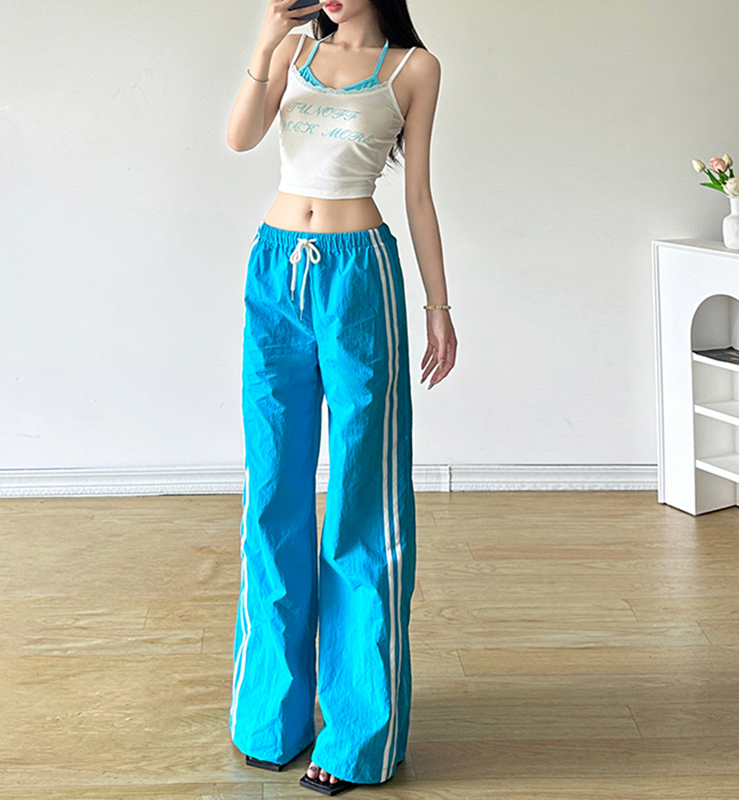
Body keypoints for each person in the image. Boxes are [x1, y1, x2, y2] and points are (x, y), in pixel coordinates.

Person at [225, 0, 456, 794]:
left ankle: (359, 735)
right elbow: (240, 137)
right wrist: (265, 42)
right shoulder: (292, 49)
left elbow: (417, 194)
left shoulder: (413, 69)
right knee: (272, 494)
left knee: (364, 498)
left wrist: (438, 306)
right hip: (274, 270)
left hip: (359, 277)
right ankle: (271, 716)